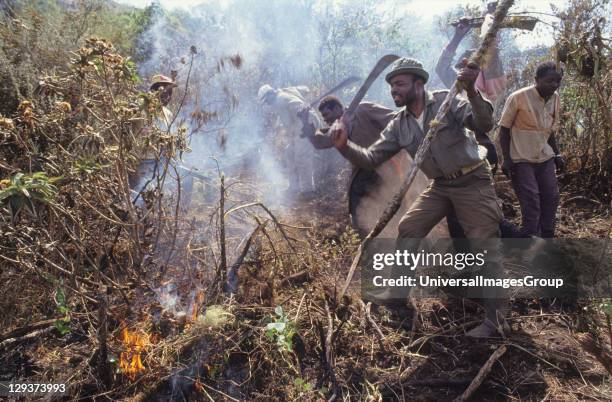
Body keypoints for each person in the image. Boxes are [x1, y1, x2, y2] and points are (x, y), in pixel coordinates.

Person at [330, 57, 504, 337]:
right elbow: (372, 157)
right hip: (441, 186)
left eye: (399, 84)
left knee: (484, 245)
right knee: (409, 227)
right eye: (391, 86)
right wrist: (343, 146)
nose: (393, 91)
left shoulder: (447, 102)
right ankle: (398, 293)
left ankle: (496, 320)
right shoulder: (400, 124)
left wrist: (472, 90)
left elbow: (484, 123)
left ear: (419, 84)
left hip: (472, 180)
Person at [435, 22, 525, 239]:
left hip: (477, 151)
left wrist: (489, 28)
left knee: (462, 209)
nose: (462, 71)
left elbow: (443, 67)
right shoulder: (459, 86)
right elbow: (442, 67)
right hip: (472, 153)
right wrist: (458, 36)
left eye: (468, 67)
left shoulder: (485, 87)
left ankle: (513, 243)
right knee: (473, 207)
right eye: (462, 67)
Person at [301, 96, 425, 236]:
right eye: (323, 117)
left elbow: (396, 119)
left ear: (337, 108)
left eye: (327, 114)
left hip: (387, 167)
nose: (325, 120)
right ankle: (370, 244)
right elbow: (320, 142)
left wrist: (402, 143)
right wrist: (305, 122)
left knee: (397, 208)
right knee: (359, 213)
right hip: (362, 174)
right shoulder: (337, 127)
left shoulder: (363, 109)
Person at [499, 61, 565, 238]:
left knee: (551, 197)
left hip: (545, 156)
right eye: (550, 81)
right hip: (521, 158)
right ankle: (529, 238)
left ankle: (547, 237)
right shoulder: (518, 97)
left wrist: (557, 153)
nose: (554, 85)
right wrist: (506, 159)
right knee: (531, 200)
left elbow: (549, 130)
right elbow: (504, 130)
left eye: (558, 81)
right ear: (537, 79)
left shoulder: (555, 98)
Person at [258, 84, 323, 196]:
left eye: (266, 100)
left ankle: (308, 191)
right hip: (301, 123)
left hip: (306, 123)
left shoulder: (279, 100)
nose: (267, 104)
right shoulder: (285, 91)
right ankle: (294, 187)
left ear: (270, 94)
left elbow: (288, 123)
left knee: (302, 156)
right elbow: (306, 89)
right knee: (289, 153)